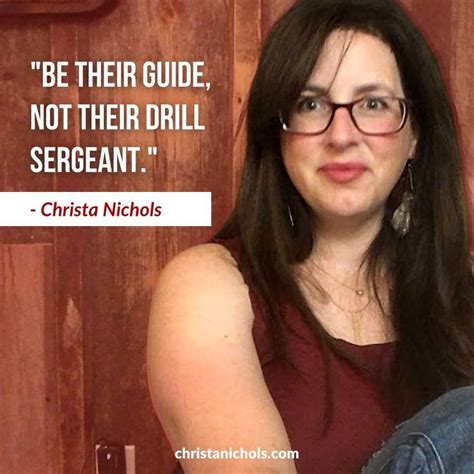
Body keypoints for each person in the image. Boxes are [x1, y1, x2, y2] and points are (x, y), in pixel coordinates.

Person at [147, 0, 474, 472]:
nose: (341, 134)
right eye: (311, 104)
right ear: (277, 133)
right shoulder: (207, 288)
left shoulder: (462, 285)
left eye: (374, 104)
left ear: (415, 135)